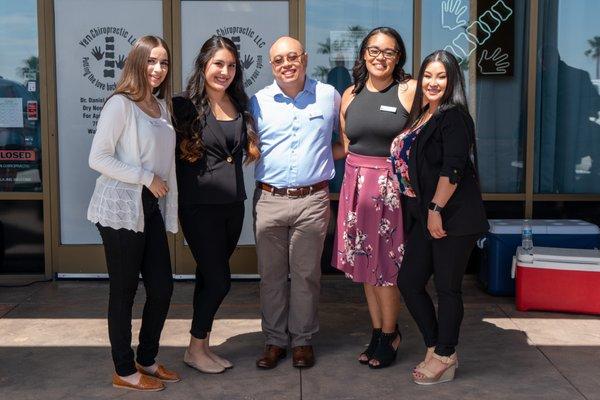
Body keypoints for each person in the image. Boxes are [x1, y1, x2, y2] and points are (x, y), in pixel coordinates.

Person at [87, 35, 180, 392]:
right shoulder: (120, 105)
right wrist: (144, 177)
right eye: (151, 61)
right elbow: (98, 158)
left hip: (150, 205)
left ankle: (146, 358)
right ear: (136, 63)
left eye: (164, 63)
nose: (158, 69)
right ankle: (124, 371)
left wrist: (169, 211)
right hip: (119, 206)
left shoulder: (161, 107)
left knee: (162, 287)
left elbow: (167, 166)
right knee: (124, 290)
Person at [391, 50, 489, 384]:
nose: (433, 83)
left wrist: (435, 210)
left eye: (442, 77)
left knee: (447, 289)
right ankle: (437, 346)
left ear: (453, 81)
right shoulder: (422, 115)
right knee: (409, 281)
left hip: (451, 217)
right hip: (424, 215)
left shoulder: (453, 116)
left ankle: (445, 354)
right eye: (428, 76)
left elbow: (454, 167)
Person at [250, 36, 340, 369]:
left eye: (292, 57)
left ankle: (302, 341)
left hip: (312, 200)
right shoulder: (256, 102)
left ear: (304, 57)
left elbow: (344, 142)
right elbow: (249, 146)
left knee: (306, 275)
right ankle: (275, 340)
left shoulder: (328, 96)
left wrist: (318, 164)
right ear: (271, 65)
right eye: (278, 60)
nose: (286, 64)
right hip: (269, 198)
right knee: (271, 276)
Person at [172, 36, 260, 374]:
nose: (224, 71)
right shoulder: (183, 106)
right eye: (218, 64)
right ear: (204, 65)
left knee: (207, 278)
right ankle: (195, 347)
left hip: (232, 205)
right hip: (199, 208)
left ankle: (202, 348)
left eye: (231, 65)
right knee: (220, 280)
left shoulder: (240, 103)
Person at [331, 27, 416, 369]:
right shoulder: (350, 93)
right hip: (355, 186)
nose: (381, 57)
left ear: (399, 58)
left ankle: (391, 333)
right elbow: (347, 145)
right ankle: (377, 331)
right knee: (365, 268)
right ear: (364, 54)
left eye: (389, 52)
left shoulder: (409, 90)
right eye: (374, 50)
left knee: (388, 269)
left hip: (390, 191)